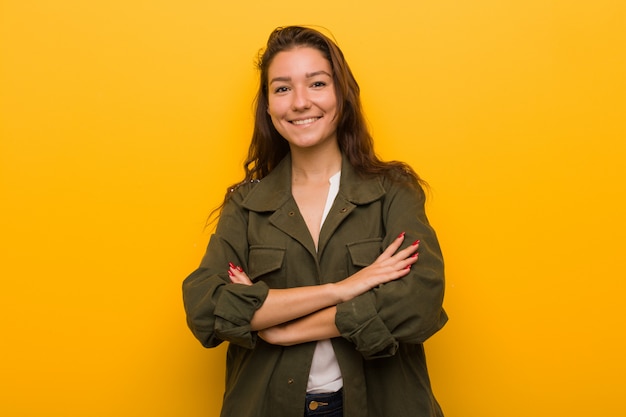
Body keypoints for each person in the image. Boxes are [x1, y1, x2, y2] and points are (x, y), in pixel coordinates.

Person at [183, 25, 447, 417]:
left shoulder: (393, 191)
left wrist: (280, 326)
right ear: (269, 106)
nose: (300, 102)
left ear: (342, 95)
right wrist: (344, 289)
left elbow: (419, 299)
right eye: (283, 88)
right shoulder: (246, 204)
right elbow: (205, 305)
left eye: (317, 83)